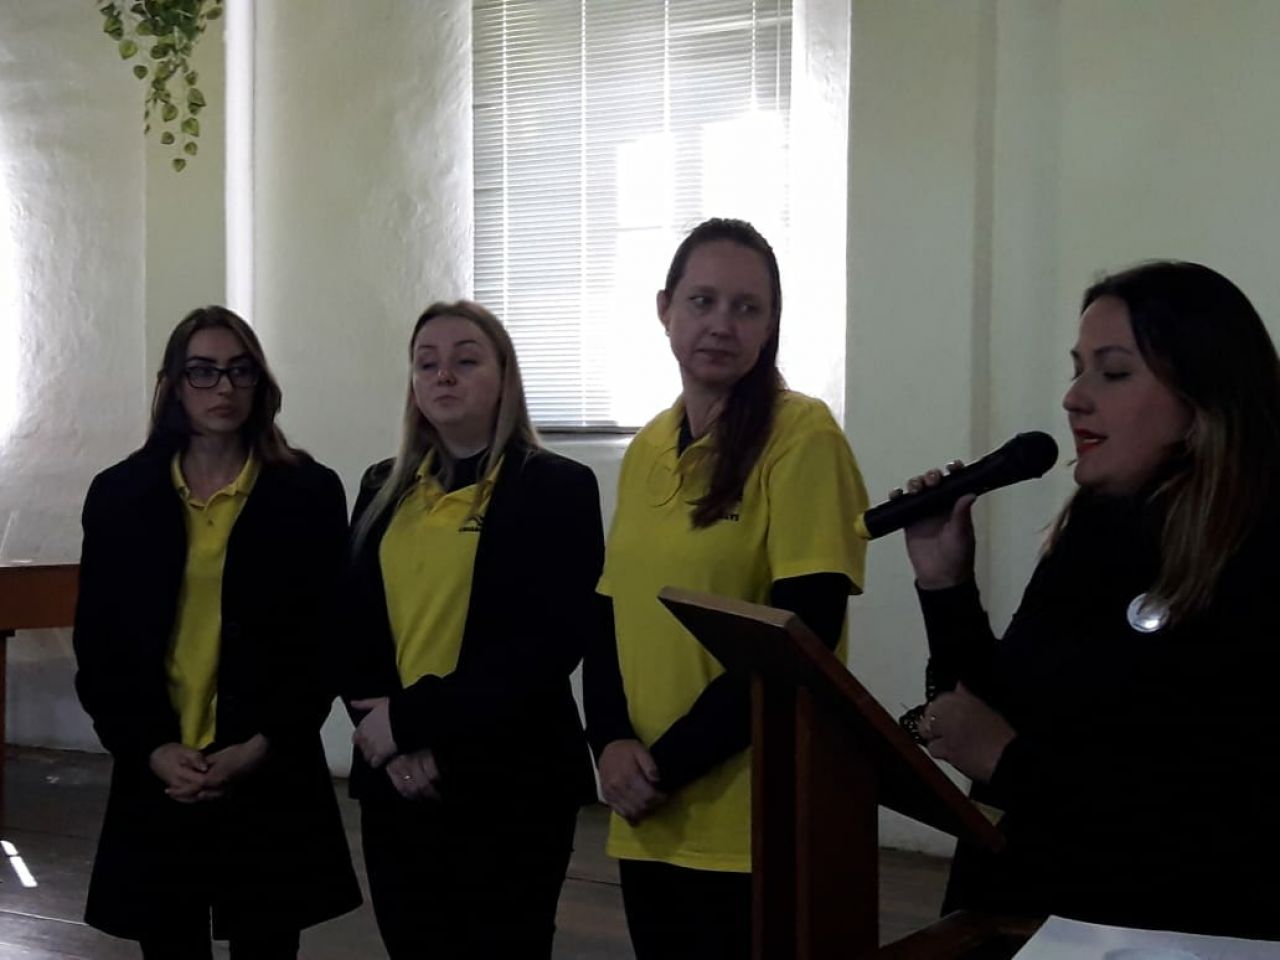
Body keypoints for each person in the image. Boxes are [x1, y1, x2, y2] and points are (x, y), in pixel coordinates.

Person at [903, 260, 1280, 939]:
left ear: (1202, 396)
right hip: (1019, 911)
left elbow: (1216, 814)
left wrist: (1009, 764)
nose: (1074, 398)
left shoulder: (1255, 559)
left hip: (1158, 936)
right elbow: (1000, 708)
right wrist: (944, 582)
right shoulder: (1095, 526)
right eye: (1077, 370)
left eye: (1113, 372)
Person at [584, 218, 870, 958]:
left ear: (771, 325)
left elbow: (801, 632)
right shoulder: (647, 446)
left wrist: (664, 767)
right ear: (665, 309)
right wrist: (609, 741)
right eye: (702, 300)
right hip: (649, 811)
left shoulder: (803, 436)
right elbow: (611, 612)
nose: (722, 324)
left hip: (752, 819)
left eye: (748, 308)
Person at [72, 306, 361, 958]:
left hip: (265, 762)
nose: (223, 388)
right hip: (160, 764)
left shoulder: (307, 491)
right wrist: (149, 747)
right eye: (203, 372)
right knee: (168, 942)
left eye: (240, 371)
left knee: (266, 944)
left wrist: (262, 743)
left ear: (261, 383)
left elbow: (323, 639)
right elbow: (101, 645)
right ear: (174, 385)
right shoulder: (121, 494)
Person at [345, 300, 603, 958]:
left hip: (511, 779)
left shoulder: (558, 487)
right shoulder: (381, 486)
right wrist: (393, 743)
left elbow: (548, 643)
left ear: (504, 377)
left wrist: (415, 724)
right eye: (426, 363)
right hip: (395, 777)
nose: (443, 375)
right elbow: (353, 626)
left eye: (466, 360)